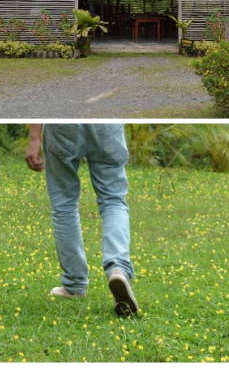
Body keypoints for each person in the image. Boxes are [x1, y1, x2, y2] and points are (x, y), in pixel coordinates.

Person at [25, 123, 138, 317]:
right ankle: (118, 268)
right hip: (105, 124)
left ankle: (74, 285)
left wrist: (35, 137)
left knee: (64, 205)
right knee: (113, 200)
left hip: (62, 127)